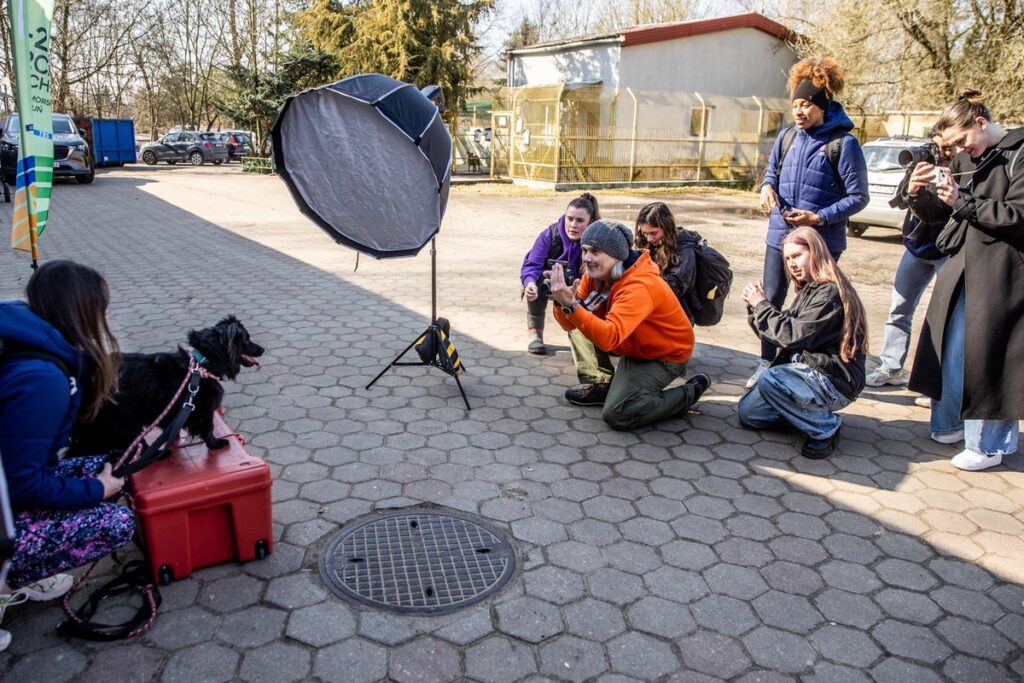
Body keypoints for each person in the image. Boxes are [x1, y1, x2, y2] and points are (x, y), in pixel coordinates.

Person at [0, 260, 133, 650]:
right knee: (116, 522)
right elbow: (22, 484)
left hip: (7, 493)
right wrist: (96, 491)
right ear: (81, 311)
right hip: (5, 507)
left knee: (109, 464)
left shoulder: (29, 337)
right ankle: (6, 581)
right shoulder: (42, 378)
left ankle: (17, 573)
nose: (107, 313)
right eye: (102, 305)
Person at [905, 89, 1024, 471]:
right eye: (951, 145)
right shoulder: (967, 159)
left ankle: (989, 444)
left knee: (992, 357)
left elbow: (1018, 216)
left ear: (981, 123)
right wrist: (917, 193)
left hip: (1004, 274)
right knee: (954, 348)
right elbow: (942, 214)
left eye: (961, 140)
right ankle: (950, 423)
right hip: (962, 267)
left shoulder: (1018, 152)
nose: (957, 150)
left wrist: (962, 202)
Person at [750, 56, 869, 388]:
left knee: (812, 307)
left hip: (821, 242)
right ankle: (766, 362)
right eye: (795, 105)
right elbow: (770, 173)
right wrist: (766, 188)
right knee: (770, 298)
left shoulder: (842, 144)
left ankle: (807, 369)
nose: (799, 111)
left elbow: (859, 197)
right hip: (779, 234)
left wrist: (820, 217)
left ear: (822, 105)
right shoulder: (787, 137)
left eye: (806, 105)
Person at [549, 219, 710, 430]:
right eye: (585, 250)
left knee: (618, 414)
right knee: (579, 317)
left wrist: (572, 306)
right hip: (629, 343)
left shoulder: (639, 286)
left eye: (595, 252)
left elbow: (609, 338)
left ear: (616, 255)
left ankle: (689, 392)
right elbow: (569, 326)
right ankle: (604, 384)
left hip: (663, 355)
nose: (587, 258)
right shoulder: (594, 274)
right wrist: (563, 304)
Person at [738, 227, 867, 459]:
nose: (791, 264)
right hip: (810, 374)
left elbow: (793, 336)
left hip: (834, 380)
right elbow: (778, 331)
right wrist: (755, 308)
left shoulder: (829, 294)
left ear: (815, 252)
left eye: (797, 256)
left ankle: (826, 427)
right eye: (787, 259)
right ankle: (804, 414)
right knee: (750, 414)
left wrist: (761, 306)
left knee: (770, 378)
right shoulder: (811, 290)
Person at [866, 128, 953, 389]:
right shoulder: (922, 165)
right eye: (936, 146)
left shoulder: (963, 168)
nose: (941, 152)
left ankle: (939, 384)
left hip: (948, 250)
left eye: (947, 148)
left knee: (945, 317)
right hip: (917, 246)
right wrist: (915, 180)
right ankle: (891, 367)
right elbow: (902, 201)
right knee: (899, 309)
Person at [520, 193, 599, 354]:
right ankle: (535, 332)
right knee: (537, 279)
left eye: (580, 221)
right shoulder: (550, 234)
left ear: (590, 222)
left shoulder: (598, 238)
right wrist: (529, 284)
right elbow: (531, 264)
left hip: (580, 286)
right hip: (550, 283)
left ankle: (587, 333)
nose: (573, 225)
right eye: (570, 218)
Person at [634, 202, 697, 322]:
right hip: (651, 313)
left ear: (666, 227)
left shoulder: (685, 251)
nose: (649, 239)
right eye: (645, 233)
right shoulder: (647, 243)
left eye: (654, 233)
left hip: (677, 318)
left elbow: (674, 289)